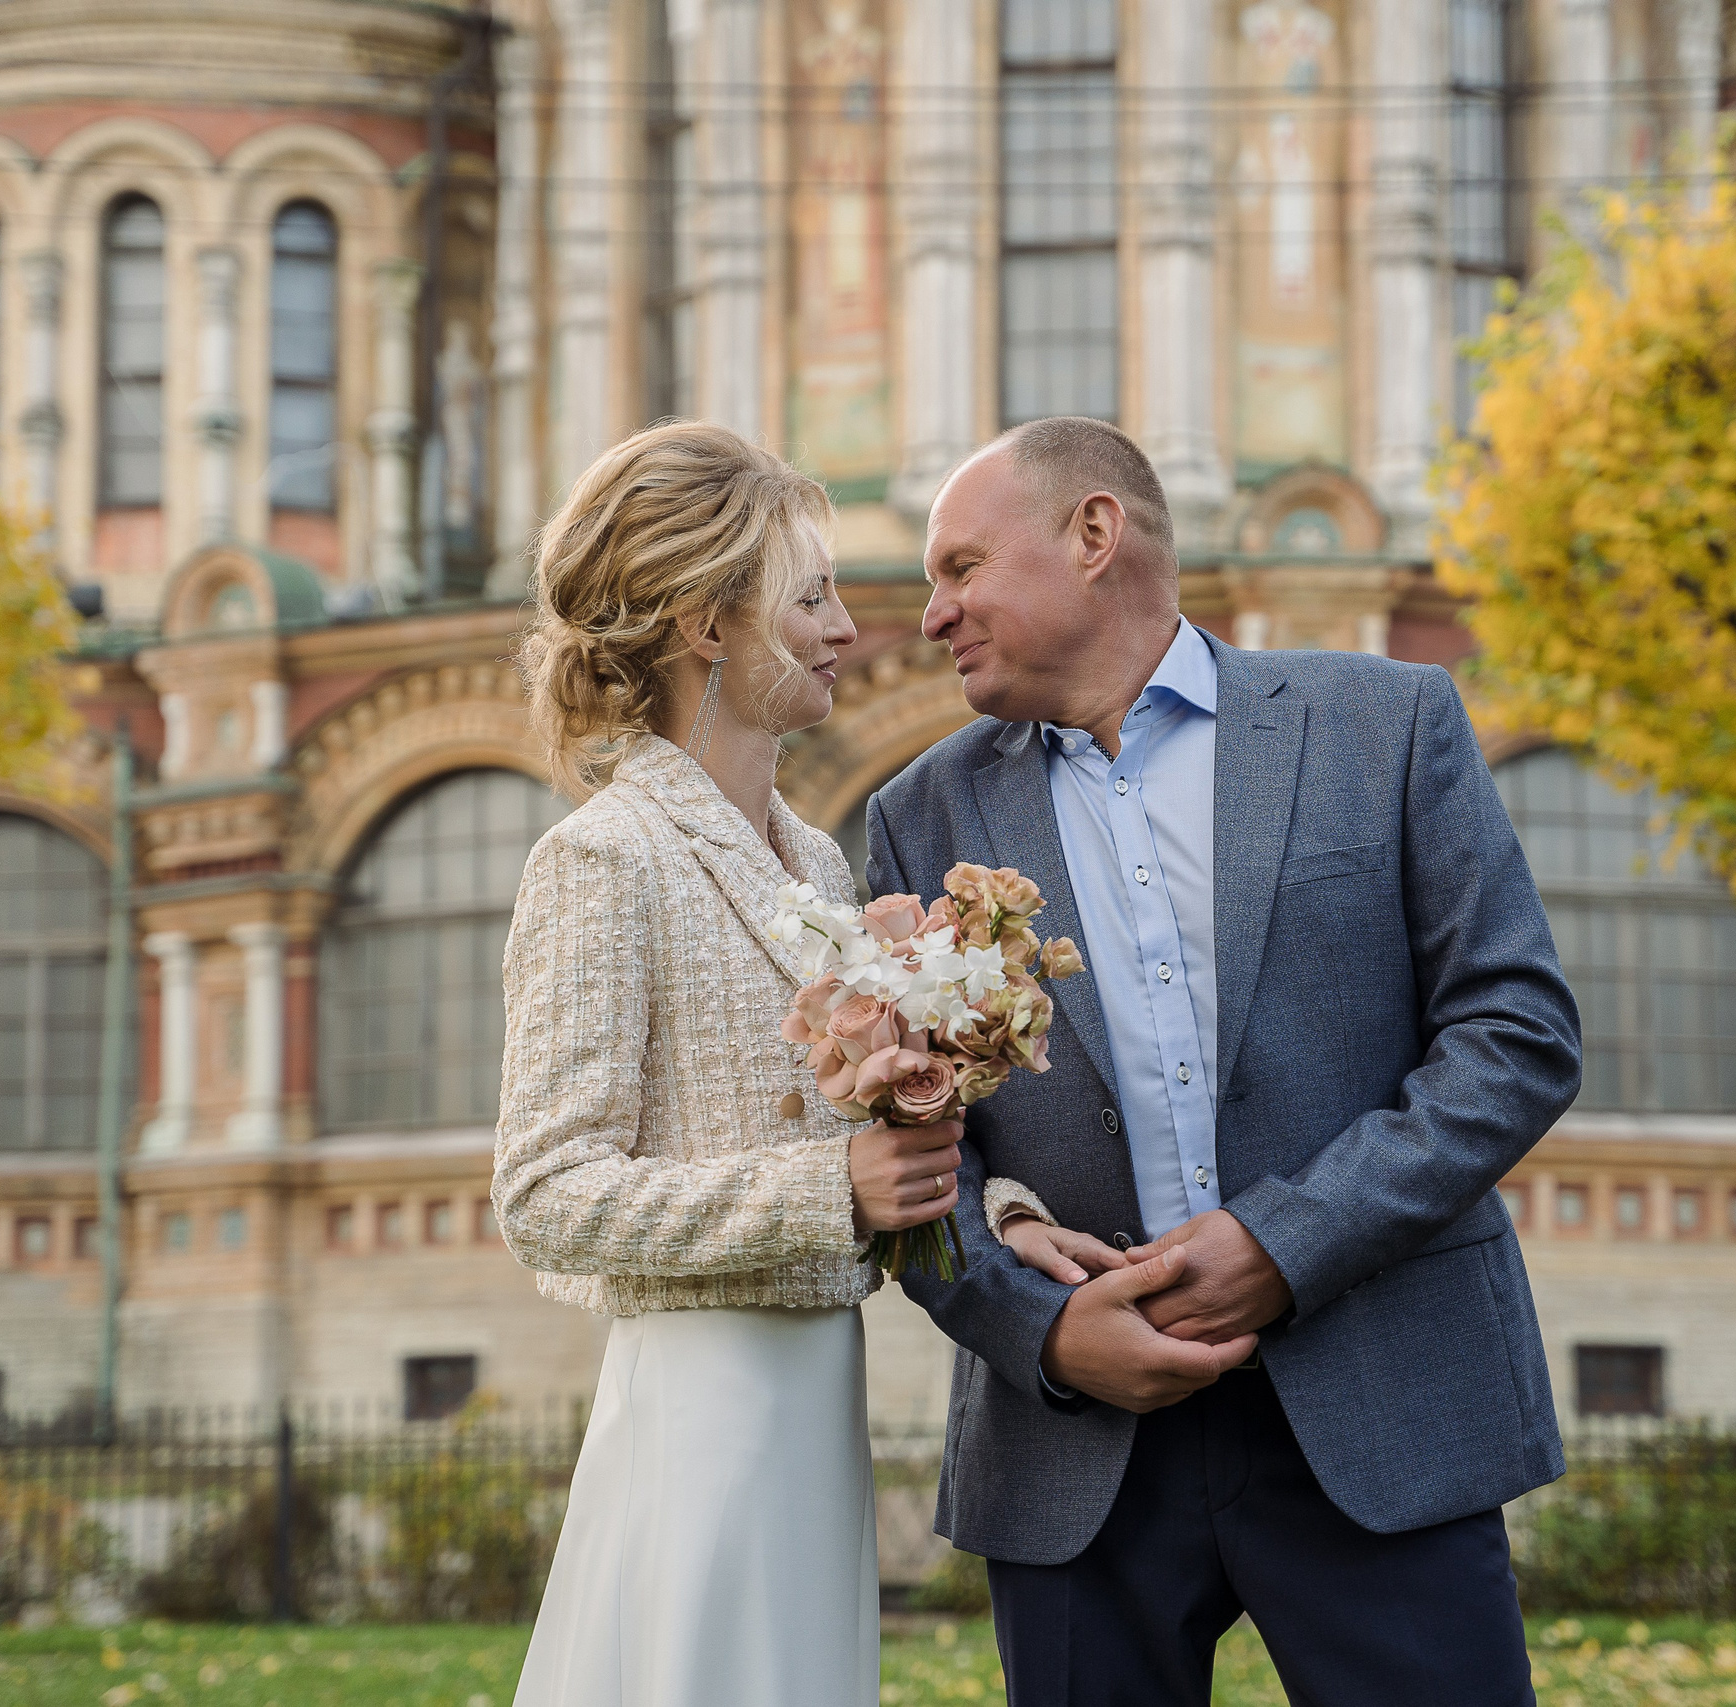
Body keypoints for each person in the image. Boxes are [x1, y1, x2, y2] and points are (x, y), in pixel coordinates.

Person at [867, 416, 1585, 1706]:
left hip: (1382, 1410)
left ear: (1094, 535)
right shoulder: (919, 815)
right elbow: (908, 1148)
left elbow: (1516, 1038)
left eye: (961, 567)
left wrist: (1284, 1245)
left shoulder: (1385, 723)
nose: (933, 614)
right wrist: (1044, 1329)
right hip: (1074, 1452)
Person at [490, 421, 966, 1707]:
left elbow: (865, 1145)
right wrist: (834, 1195)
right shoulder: (602, 859)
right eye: (809, 596)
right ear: (709, 626)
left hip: (816, 1395)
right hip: (697, 1408)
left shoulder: (817, 865)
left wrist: (973, 1193)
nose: (844, 630)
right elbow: (545, 1192)